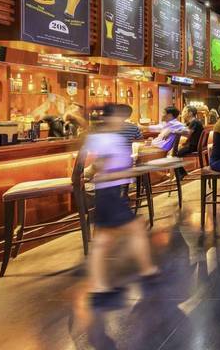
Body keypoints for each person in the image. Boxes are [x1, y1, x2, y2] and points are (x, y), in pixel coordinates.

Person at [84, 104, 158, 305]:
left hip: (109, 191)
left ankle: (100, 288)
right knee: (134, 229)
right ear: (109, 118)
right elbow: (101, 170)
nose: (122, 120)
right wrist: (131, 172)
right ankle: (147, 271)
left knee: (103, 241)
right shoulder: (107, 139)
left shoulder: (105, 137)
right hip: (109, 192)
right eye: (118, 116)